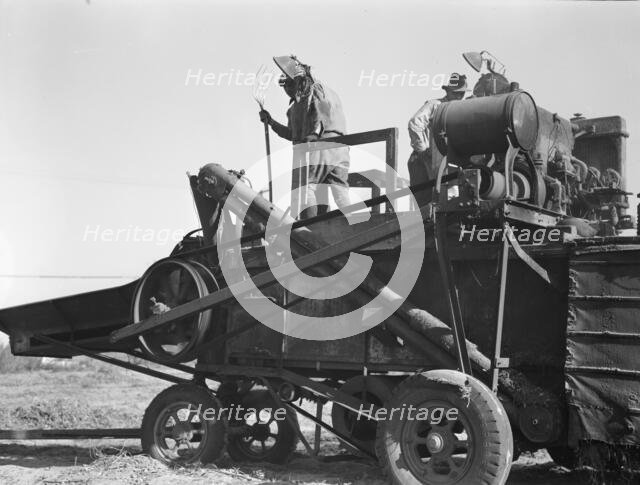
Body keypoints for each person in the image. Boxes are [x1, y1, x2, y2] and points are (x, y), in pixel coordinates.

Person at [259, 55, 350, 219]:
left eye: (288, 85)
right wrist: (271, 122)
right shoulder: (298, 105)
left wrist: (313, 135)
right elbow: (292, 134)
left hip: (319, 149)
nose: (287, 91)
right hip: (339, 151)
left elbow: (321, 114)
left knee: (306, 189)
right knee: (340, 192)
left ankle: (310, 230)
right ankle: (357, 222)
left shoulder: (316, 90)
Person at [407, 73, 467, 207]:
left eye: (461, 94)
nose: (458, 97)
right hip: (422, 161)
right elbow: (414, 123)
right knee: (425, 205)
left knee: (447, 200)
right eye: (455, 93)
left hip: (445, 162)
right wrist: (423, 150)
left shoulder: (462, 111)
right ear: (447, 91)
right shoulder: (435, 105)